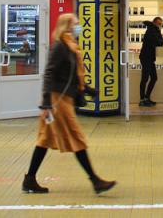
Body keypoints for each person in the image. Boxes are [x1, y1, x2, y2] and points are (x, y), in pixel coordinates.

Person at [22, 13, 115, 195]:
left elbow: (71, 76)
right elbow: (49, 73)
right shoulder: (60, 46)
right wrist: (47, 102)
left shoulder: (71, 46)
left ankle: (29, 180)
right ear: (67, 26)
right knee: (76, 137)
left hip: (63, 98)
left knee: (44, 140)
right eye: (76, 24)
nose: (79, 27)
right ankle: (95, 180)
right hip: (58, 101)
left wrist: (87, 90)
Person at [139, 17, 163, 107]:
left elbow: (160, 42)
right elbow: (159, 42)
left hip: (149, 57)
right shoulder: (152, 31)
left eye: (161, 24)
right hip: (146, 57)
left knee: (153, 77)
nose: (160, 25)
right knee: (145, 78)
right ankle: (142, 99)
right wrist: (160, 38)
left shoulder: (153, 30)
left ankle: (146, 97)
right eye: (159, 23)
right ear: (154, 22)